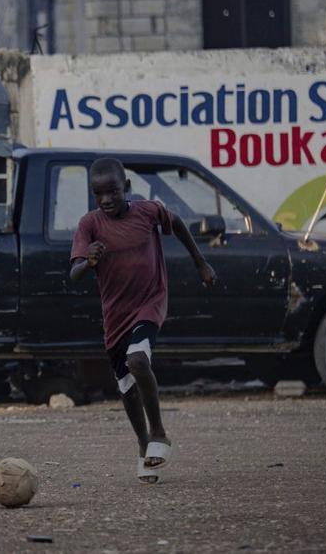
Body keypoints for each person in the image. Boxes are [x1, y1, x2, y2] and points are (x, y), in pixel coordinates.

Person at [69, 158, 216, 483]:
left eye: (113, 192)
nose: (107, 199)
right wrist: (88, 260)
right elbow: (75, 273)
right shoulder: (89, 225)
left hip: (150, 302)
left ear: (127, 189)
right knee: (126, 387)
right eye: (99, 194)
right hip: (116, 316)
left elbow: (177, 224)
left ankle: (159, 433)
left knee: (138, 360)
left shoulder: (148, 212)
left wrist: (201, 262)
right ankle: (142, 445)